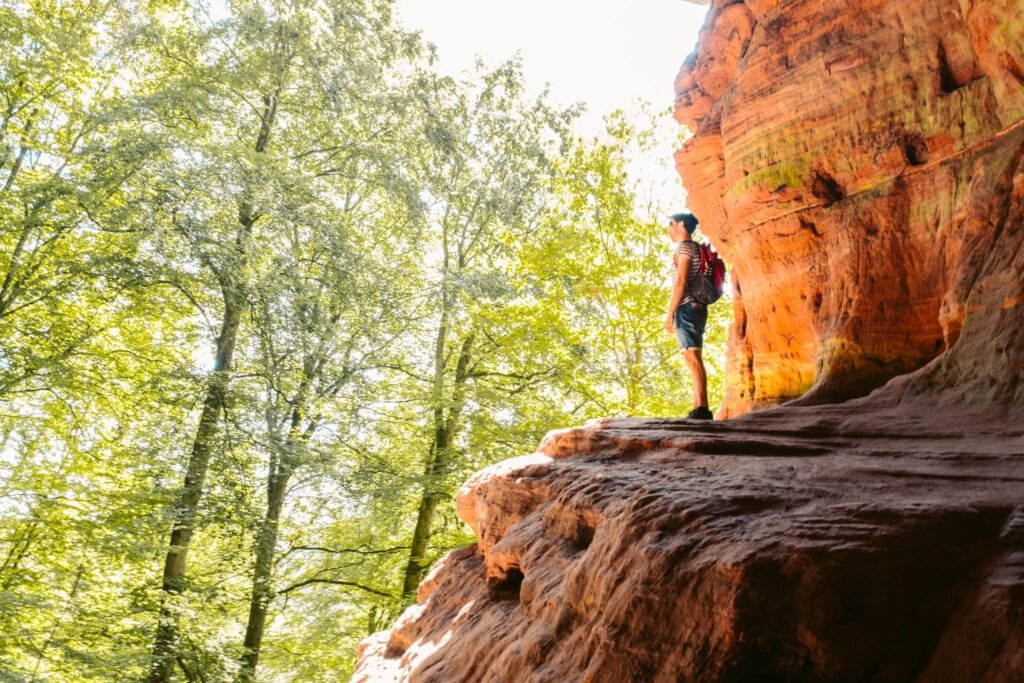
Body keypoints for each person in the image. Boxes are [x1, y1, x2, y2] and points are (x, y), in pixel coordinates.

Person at [664, 212, 713, 420]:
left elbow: (681, 282)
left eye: (671, 224)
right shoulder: (696, 249)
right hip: (697, 307)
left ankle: (702, 408)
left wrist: (670, 312)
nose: (669, 229)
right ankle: (697, 405)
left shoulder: (685, 248)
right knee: (692, 355)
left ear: (682, 225)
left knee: (692, 356)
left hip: (687, 307)